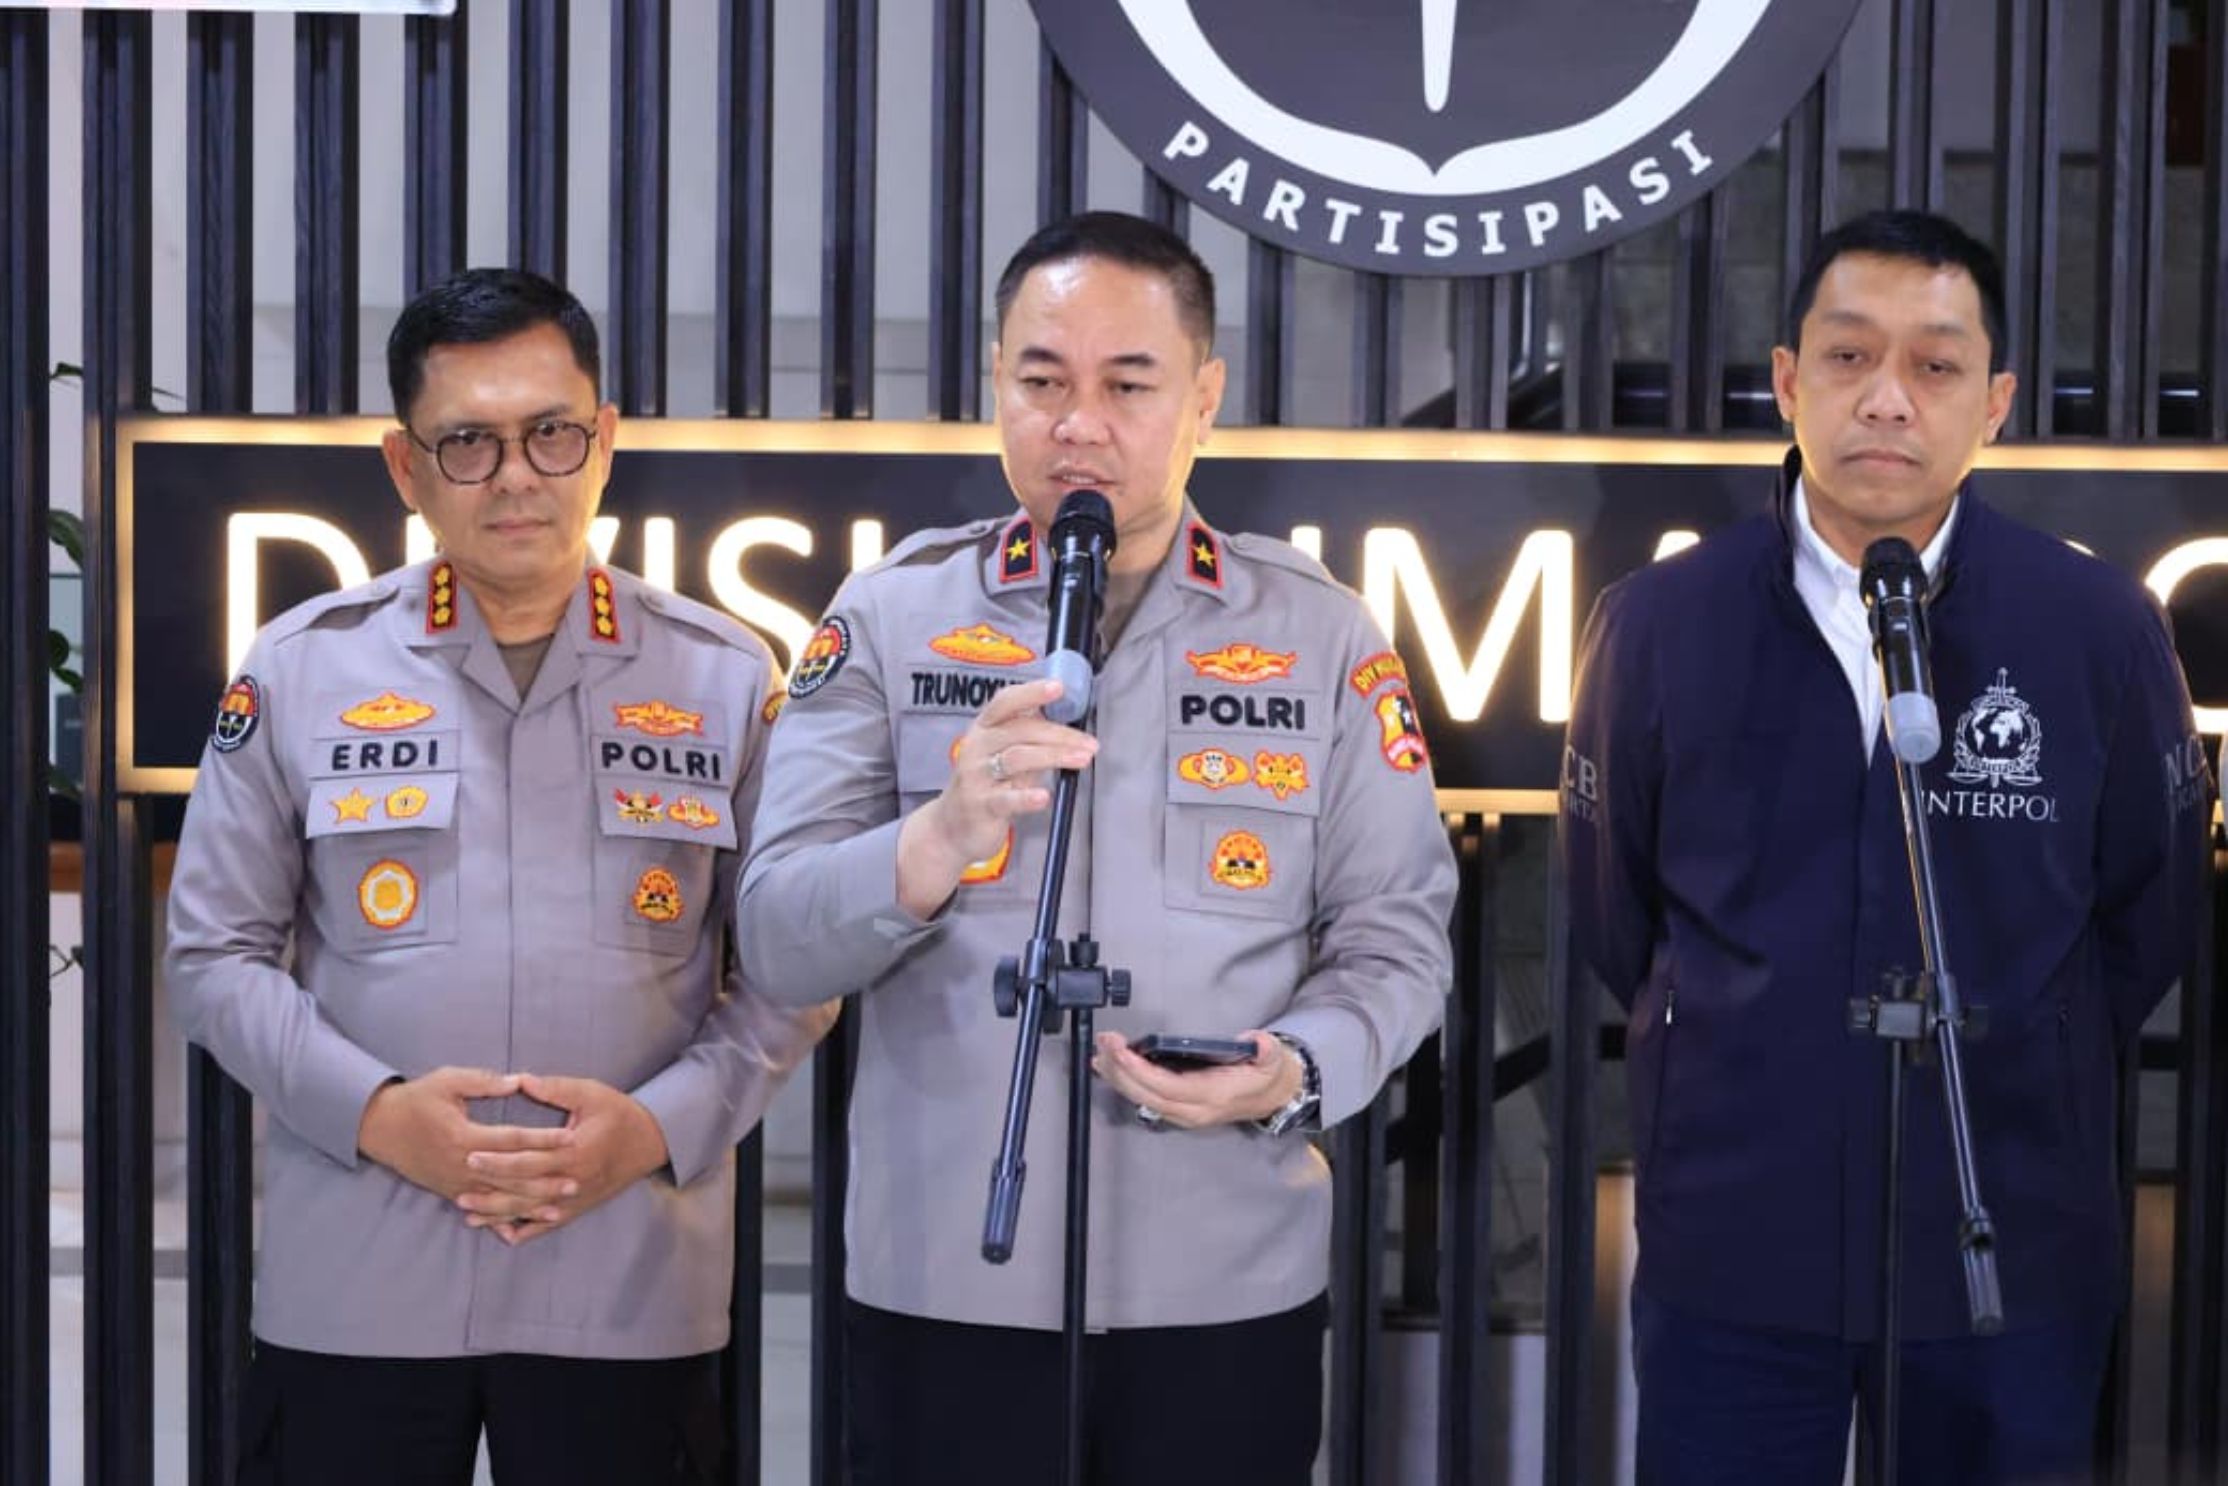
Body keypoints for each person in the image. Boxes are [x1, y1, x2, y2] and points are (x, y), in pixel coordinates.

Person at [735, 211, 1456, 1484]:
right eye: (1041, 381)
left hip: (1222, 1281)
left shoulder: (1322, 634)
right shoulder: (889, 615)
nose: (1078, 423)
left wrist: (1296, 1070)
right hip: (946, 1280)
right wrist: (937, 833)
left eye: (1127, 384)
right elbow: (778, 937)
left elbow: (1395, 935)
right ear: (994, 388)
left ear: (1202, 400)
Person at [1563, 209, 2210, 1485]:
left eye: (1934, 365)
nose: (1886, 399)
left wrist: (2033, 1043)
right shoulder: (1659, 623)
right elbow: (1611, 909)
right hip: (1736, 1237)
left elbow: (2148, 909)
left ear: (1994, 402)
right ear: (1787, 380)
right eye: (1849, 357)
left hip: (2006, 1237)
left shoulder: (2094, 625)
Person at [165, 266, 833, 1486]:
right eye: (467, 441)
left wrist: (654, 1129)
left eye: (550, 433)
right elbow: (212, 958)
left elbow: (793, 968)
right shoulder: (302, 668)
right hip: (360, 1271)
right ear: (405, 466)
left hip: (627, 1274)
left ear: (604, 441)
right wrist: (377, 1115)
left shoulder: (725, 676)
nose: (516, 475)